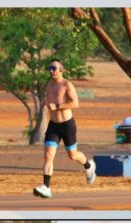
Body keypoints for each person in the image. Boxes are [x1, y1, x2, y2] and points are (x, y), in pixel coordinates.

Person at [33, 58, 96, 199]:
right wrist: (44, 103)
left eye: (54, 68)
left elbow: (75, 103)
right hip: (53, 126)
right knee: (48, 155)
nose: (51, 71)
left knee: (72, 155)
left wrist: (57, 107)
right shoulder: (49, 85)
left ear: (62, 69)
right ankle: (46, 187)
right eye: (50, 68)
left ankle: (88, 166)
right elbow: (50, 100)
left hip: (67, 125)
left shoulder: (67, 85)